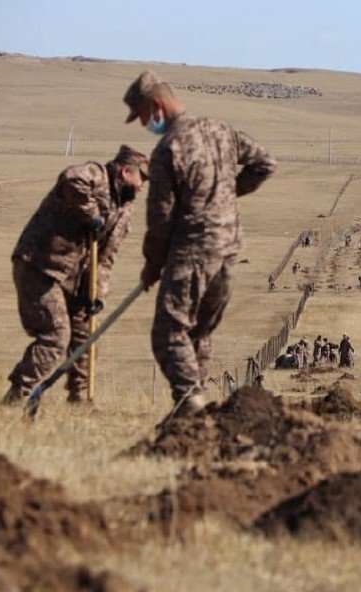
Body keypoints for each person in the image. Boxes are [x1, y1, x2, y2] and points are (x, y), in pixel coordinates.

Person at [124, 70, 276, 414]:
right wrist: (227, 193)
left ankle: (191, 402)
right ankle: (196, 413)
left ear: (156, 105)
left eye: (144, 117)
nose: (145, 124)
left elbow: (160, 218)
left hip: (192, 251)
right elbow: (265, 163)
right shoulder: (220, 131)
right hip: (229, 251)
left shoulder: (168, 148)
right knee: (199, 335)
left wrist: (152, 265)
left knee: (168, 332)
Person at [2, 146, 149, 405]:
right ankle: (16, 396)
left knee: (85, 336)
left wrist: (97, 292)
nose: (141, 187)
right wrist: (90, 213)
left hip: (75, 279)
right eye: (142, 179)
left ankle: (79, 401)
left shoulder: (124, 211)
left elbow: (106, 259)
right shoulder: (96, 175)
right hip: (40, 265)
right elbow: (71, 179)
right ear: (126, 172)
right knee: (55, 335)